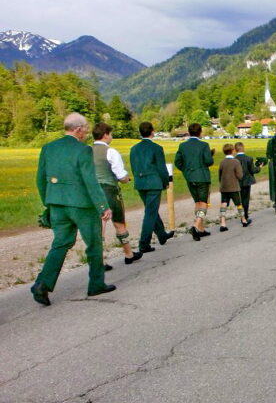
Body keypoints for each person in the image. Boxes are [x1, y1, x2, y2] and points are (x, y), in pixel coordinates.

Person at [31, 113, 115, 305]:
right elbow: (90, 181)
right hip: (82, 205)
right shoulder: (83, 150)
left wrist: (48, 204)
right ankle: (96, 284)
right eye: (85, 129)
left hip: (57, 204)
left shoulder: (48, 148)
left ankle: (43, 284)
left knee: (61, 243)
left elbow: (40, 180)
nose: (86, 132)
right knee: (93, 243)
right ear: (78, 129)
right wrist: (103, 206)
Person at [91, 123, 143, 268]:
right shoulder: (110, 152)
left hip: (91, 191)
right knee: (119, 223)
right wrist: (127, 179)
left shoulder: (86, 151)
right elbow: (121, 176)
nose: (111, 137)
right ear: (105, 135)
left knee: (98, 225)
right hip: (108, 190)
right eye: (111, 134)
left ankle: (98, 260)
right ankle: (128, 253)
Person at [130, 122, 173, 253]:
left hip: (140, 182)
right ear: (152, 131)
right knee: (150, 212)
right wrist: (166, 181)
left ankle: (161, 234)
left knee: (151, 210)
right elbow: (161, 168)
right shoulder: (156, 148)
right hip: (153, 182)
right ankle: (144, 243)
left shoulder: (134, 149)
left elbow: (133, 167)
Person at [174, 123, 215, 241]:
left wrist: (186, 171)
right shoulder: (204, 145)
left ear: (189, 132)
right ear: (200, 132)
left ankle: (201, 229)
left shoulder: (183, 146)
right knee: (204, 203)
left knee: (197, 202)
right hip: (202, 176)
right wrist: (210, 156)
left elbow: (178, 162)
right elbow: (209, 161)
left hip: (190, 177)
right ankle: (196, 225)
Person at [217, 143, 250, 231]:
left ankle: (223, 223)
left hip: (224, 187)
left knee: (224, 204)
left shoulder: (222, 162)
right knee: (239, 204)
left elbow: (220, 175)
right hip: (234, 186)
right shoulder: (236, 162)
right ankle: (244, 220)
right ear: (233, 151)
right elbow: (240, 176)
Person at [234, 142, 263, 222]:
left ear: (235, 149)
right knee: (245, 199)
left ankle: (241, 215)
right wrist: (259, 167)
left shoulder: (234, 159)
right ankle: (245, 216)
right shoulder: (249, 158)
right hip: (246, 181)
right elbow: (252, 170)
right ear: (243, 148)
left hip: (237, 182)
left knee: (239, 200)